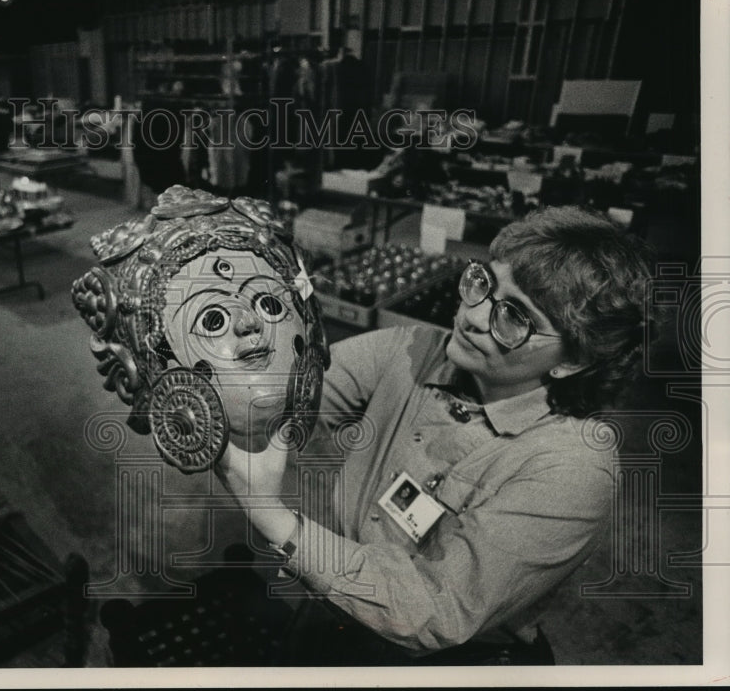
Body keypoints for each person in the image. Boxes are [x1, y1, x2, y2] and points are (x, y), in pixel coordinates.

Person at [215, 204, 655, 665]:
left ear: (574, 361)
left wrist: (271, 515)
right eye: (484, 284)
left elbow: (433, 609)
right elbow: (287, 395)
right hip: (338, 603)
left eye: (514, 317)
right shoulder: (416, 350)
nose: (473, 316)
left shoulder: (573, 469)